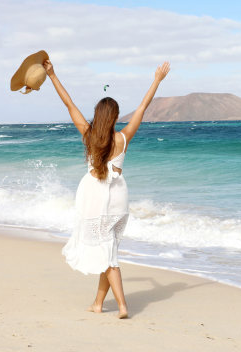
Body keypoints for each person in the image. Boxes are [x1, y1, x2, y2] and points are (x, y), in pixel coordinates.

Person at [43, 59, 170, 319]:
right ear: (114, 117)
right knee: (108, 249)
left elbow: (69, 104)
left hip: (94, 196)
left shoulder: (88, 135)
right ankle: (98, 304)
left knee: (108, 253)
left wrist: (53, 75)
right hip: (118, 198)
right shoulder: (123, 138)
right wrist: (156, 80)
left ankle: (123, 307)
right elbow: (143, 108)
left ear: (98, 115)